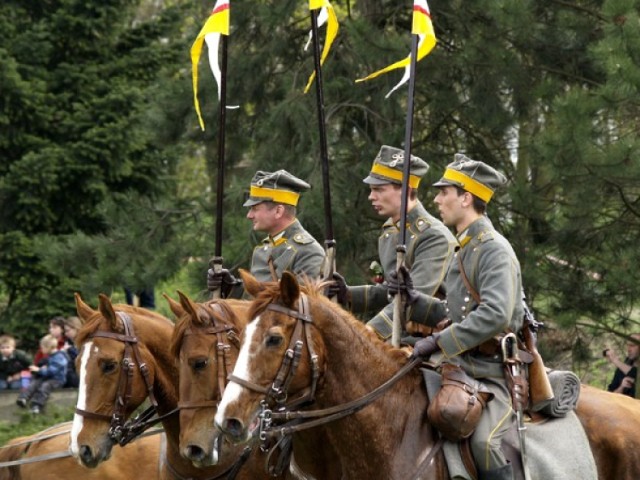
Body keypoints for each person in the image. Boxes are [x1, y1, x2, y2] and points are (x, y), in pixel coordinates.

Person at [394, 154, 523, 480]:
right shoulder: (464, 248)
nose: (436, 199)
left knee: (484, 442)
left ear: (466, 198)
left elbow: (495, 315)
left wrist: (438, 341)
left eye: (444, 192)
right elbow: (455, 314)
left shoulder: (494, 248)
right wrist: (414, 299)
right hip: (459, 366)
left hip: (492, 372)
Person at [328, 145, 457, 343]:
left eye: (378, 189)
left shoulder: (434, 236)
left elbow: (412, 297)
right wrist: (348, 294)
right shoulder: (390, 231)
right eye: (371, 189)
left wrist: (368, 333)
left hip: (431, 339)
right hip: (400, 334)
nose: (371, 196)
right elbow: (392, 291)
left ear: (405, 190)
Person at [207, 169, 326, 297]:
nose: (249, 215)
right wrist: (232, 287)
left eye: (255, 208)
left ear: (278, 211)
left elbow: (299, 306)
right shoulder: (264, 249)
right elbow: (255, 301)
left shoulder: (307, 251)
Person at [16, 334, 69, 414]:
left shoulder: (59, 357)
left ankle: (36, 406)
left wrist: (39, 370)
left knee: (44, 386)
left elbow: (52, 371)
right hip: (48, 377)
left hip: (57, 380)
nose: (41, 350)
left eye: (42, 348)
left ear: (49, 347)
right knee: (35, 383)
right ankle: (23, 398)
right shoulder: (50, 356)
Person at [605, 333, 640, 397]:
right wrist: (621, 388)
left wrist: (615, 360)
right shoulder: (621, 369)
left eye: (632, 345)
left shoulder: (622, 366)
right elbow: (610, 395)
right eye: (628, 345)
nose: (629, 349)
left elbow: (635, 373)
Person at [62, 316, 81, 388]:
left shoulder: (85, 342)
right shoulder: (69, 342)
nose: (66, 334)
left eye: (68, 331)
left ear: (76, 328)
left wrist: (70, 350)